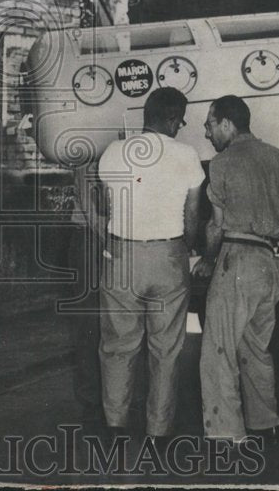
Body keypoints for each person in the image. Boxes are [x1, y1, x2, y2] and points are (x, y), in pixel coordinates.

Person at [96, 87, 204, 441]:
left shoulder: (113, 152)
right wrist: (186, 248)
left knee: (118, 346)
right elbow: (192, 215)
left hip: (122, 258)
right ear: (173, 120)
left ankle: (115, 426)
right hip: (168, 257)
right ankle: (158, 432)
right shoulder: (186, 155)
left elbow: (106, 206)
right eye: (180, 121)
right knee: (166, 349)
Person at [195, 95, 279, 442]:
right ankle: (266, 421)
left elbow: (216, 225)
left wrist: (207, 259)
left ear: (227, 124)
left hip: (237, 258)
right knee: (256, 347)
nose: (207, 132)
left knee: (219, 348)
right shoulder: (276, 156)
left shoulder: (221, 163)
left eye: (209, 124)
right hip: (270, 262)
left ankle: (225, 431)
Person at [64, 160, 108, 427]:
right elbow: (91, 213)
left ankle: (109, 395)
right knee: (90, 322)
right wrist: (116, 242)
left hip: (103, 239)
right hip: (91, 240)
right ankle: (92, 399)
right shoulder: (88, 156)